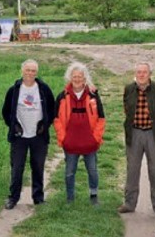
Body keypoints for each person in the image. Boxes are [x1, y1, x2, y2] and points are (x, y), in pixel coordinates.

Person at [118, 62, 155, 219]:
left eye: (144, 72)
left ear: (150, 74)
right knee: (132, 169)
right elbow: (127, 110)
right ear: (135, 74)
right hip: (134, 133)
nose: (141, 75)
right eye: (139, 72)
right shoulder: (129, 89)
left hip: (153, 134)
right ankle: (129, 203)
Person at [2, 59, 56, 209]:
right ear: (22, 71)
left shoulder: (44, 89)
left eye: (33, 71)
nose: (30, 73)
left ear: (36, 72)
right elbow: (6, 111)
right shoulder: (14, 90)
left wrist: (44, 125)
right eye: (28, 70)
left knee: (38, 167)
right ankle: (13, 198)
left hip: (38, 136)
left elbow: (52, 110)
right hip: (19, 137)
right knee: (17, 168)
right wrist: (14, 126)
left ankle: (38, 198)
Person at [54, 62, 106, 205]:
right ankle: (70, 198)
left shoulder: (93, 95)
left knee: (93, 171)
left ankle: (94, 195)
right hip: (70, 143)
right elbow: (56, 119)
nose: (77, 79)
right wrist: (62, 138)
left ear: (85, 79)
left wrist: (96, 138)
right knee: (69, 172)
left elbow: (101, 118)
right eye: (74, 76)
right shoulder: (62, 96)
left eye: (80, 76)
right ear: (70, 78)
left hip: (90, 142)